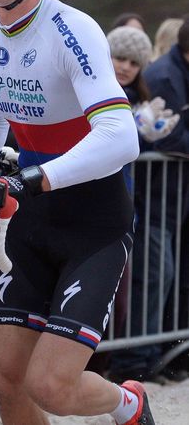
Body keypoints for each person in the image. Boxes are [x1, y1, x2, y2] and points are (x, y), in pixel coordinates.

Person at [0, 0, 155, 424]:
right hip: (32, 219)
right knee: (6, 381)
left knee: (51, 387)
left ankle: (128, 403)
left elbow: (121, 136)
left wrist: (37, 177)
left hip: (94, 226)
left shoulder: (73, 29)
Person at [105, 26, 181, 385]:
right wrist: (137, 134)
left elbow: (139, 150)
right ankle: (125, 359)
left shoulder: (140, 96)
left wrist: (152, 137)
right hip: (108, 203)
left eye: (134, 62)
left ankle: (139, 358)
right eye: (119, 58)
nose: (125, 67)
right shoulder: (100, 91)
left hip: (132, 202)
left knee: (144, 281)